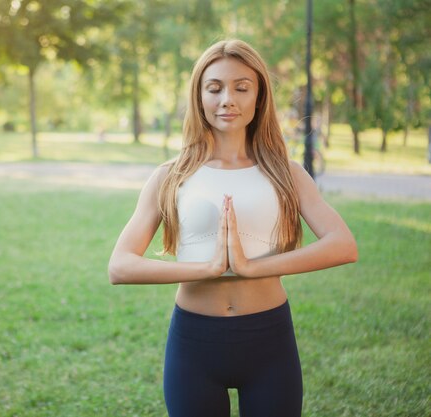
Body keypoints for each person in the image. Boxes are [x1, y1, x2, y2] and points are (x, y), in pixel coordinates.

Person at [107, 39, 358, 417]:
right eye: (215, 88)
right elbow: (120, 266)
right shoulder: (170, 176)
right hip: (194, 344)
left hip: (269, 340)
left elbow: (343, 245)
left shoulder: (286, 173)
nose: (228, 99)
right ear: (199, 96)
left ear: (259, 97)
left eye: (242, 87)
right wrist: (207, 269)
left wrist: (253, 267)